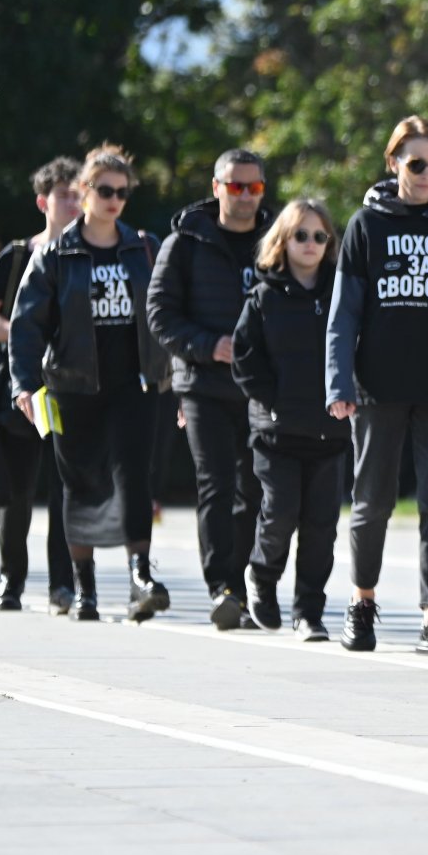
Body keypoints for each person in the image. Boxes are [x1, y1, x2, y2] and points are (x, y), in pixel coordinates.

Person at [9, 144, 172, 623]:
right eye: (104, 190)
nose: (114, 199)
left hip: (134, 384)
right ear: (84, 192)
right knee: (78, 484)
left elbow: (164, 311)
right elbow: (25, 325)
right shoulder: (57, 256)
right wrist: (23, 384)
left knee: (133, 479)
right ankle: (84, 589)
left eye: (122, 192)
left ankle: (141, 576)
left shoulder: (144, 247)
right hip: (72, 385)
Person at [326, 117, 428, 655]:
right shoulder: (366, 224)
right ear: (393, 164)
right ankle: (362, 603)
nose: (427, 174)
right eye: (416, 164)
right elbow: (344, 314)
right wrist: (339, 381)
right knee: (371, 501)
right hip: (377, 385)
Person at [147, 148, 271, 631]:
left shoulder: (275, 238)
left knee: (258, 492)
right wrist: (207, 345)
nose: (244, 196)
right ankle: (223, 587)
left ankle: (249, 586)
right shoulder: (185, 242)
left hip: (262, 388)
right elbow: (159, 314)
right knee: (216, 486)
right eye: (235, 186)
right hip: (202, 384)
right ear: (216, 187)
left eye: (254, 187)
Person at [233, 199, 349, 641]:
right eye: (301, 234)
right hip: (276, 431)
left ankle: (308, 613)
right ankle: (261, 577)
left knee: (321, 528)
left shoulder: (342, 293)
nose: (311, 244)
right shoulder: (264, 297)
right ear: (283, 240)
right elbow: (245, 360)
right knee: (280, 512)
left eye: (320, 236)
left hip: (330, 431)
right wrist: (273, 401)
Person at [0, 158, 80, 612]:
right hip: (26, 387)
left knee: (65, 489)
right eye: (64, 195)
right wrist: (27, 333)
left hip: (74, 388)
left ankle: (62, 586)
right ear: (43, 201)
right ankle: (11, 581)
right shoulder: (19, 254)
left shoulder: (94, 253)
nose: (74, 203)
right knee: (17, 491)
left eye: (80, 194)